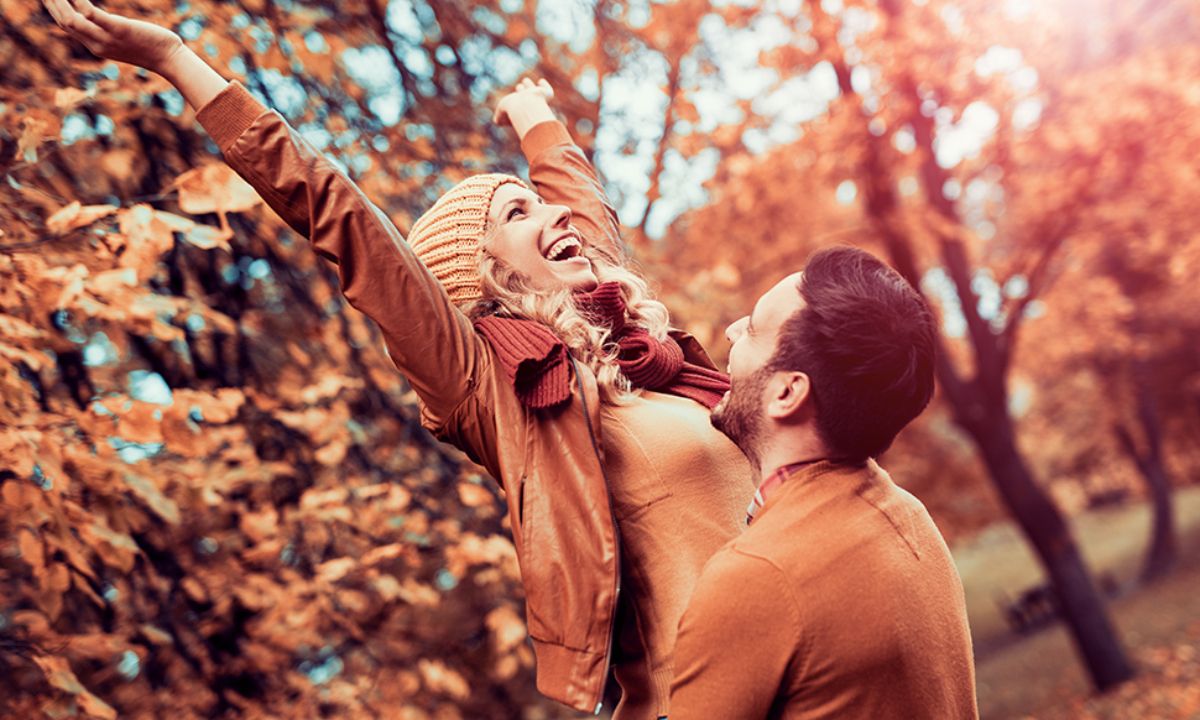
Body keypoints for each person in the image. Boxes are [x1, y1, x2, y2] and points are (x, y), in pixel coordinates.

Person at [42, 1, 754, 716]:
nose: (555, 215)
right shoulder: (495, 391)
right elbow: (341, 217)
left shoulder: (643, 364)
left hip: (803, 663)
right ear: (483, 280)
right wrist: (174, 58)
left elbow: (582, 208)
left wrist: (535, 119)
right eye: (518, 213)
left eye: (541, 204)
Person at [669, 248, 979, 719]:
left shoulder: (757, 576)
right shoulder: (907, 514)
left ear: (787, 393)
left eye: (753, 330)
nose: (731, 330)